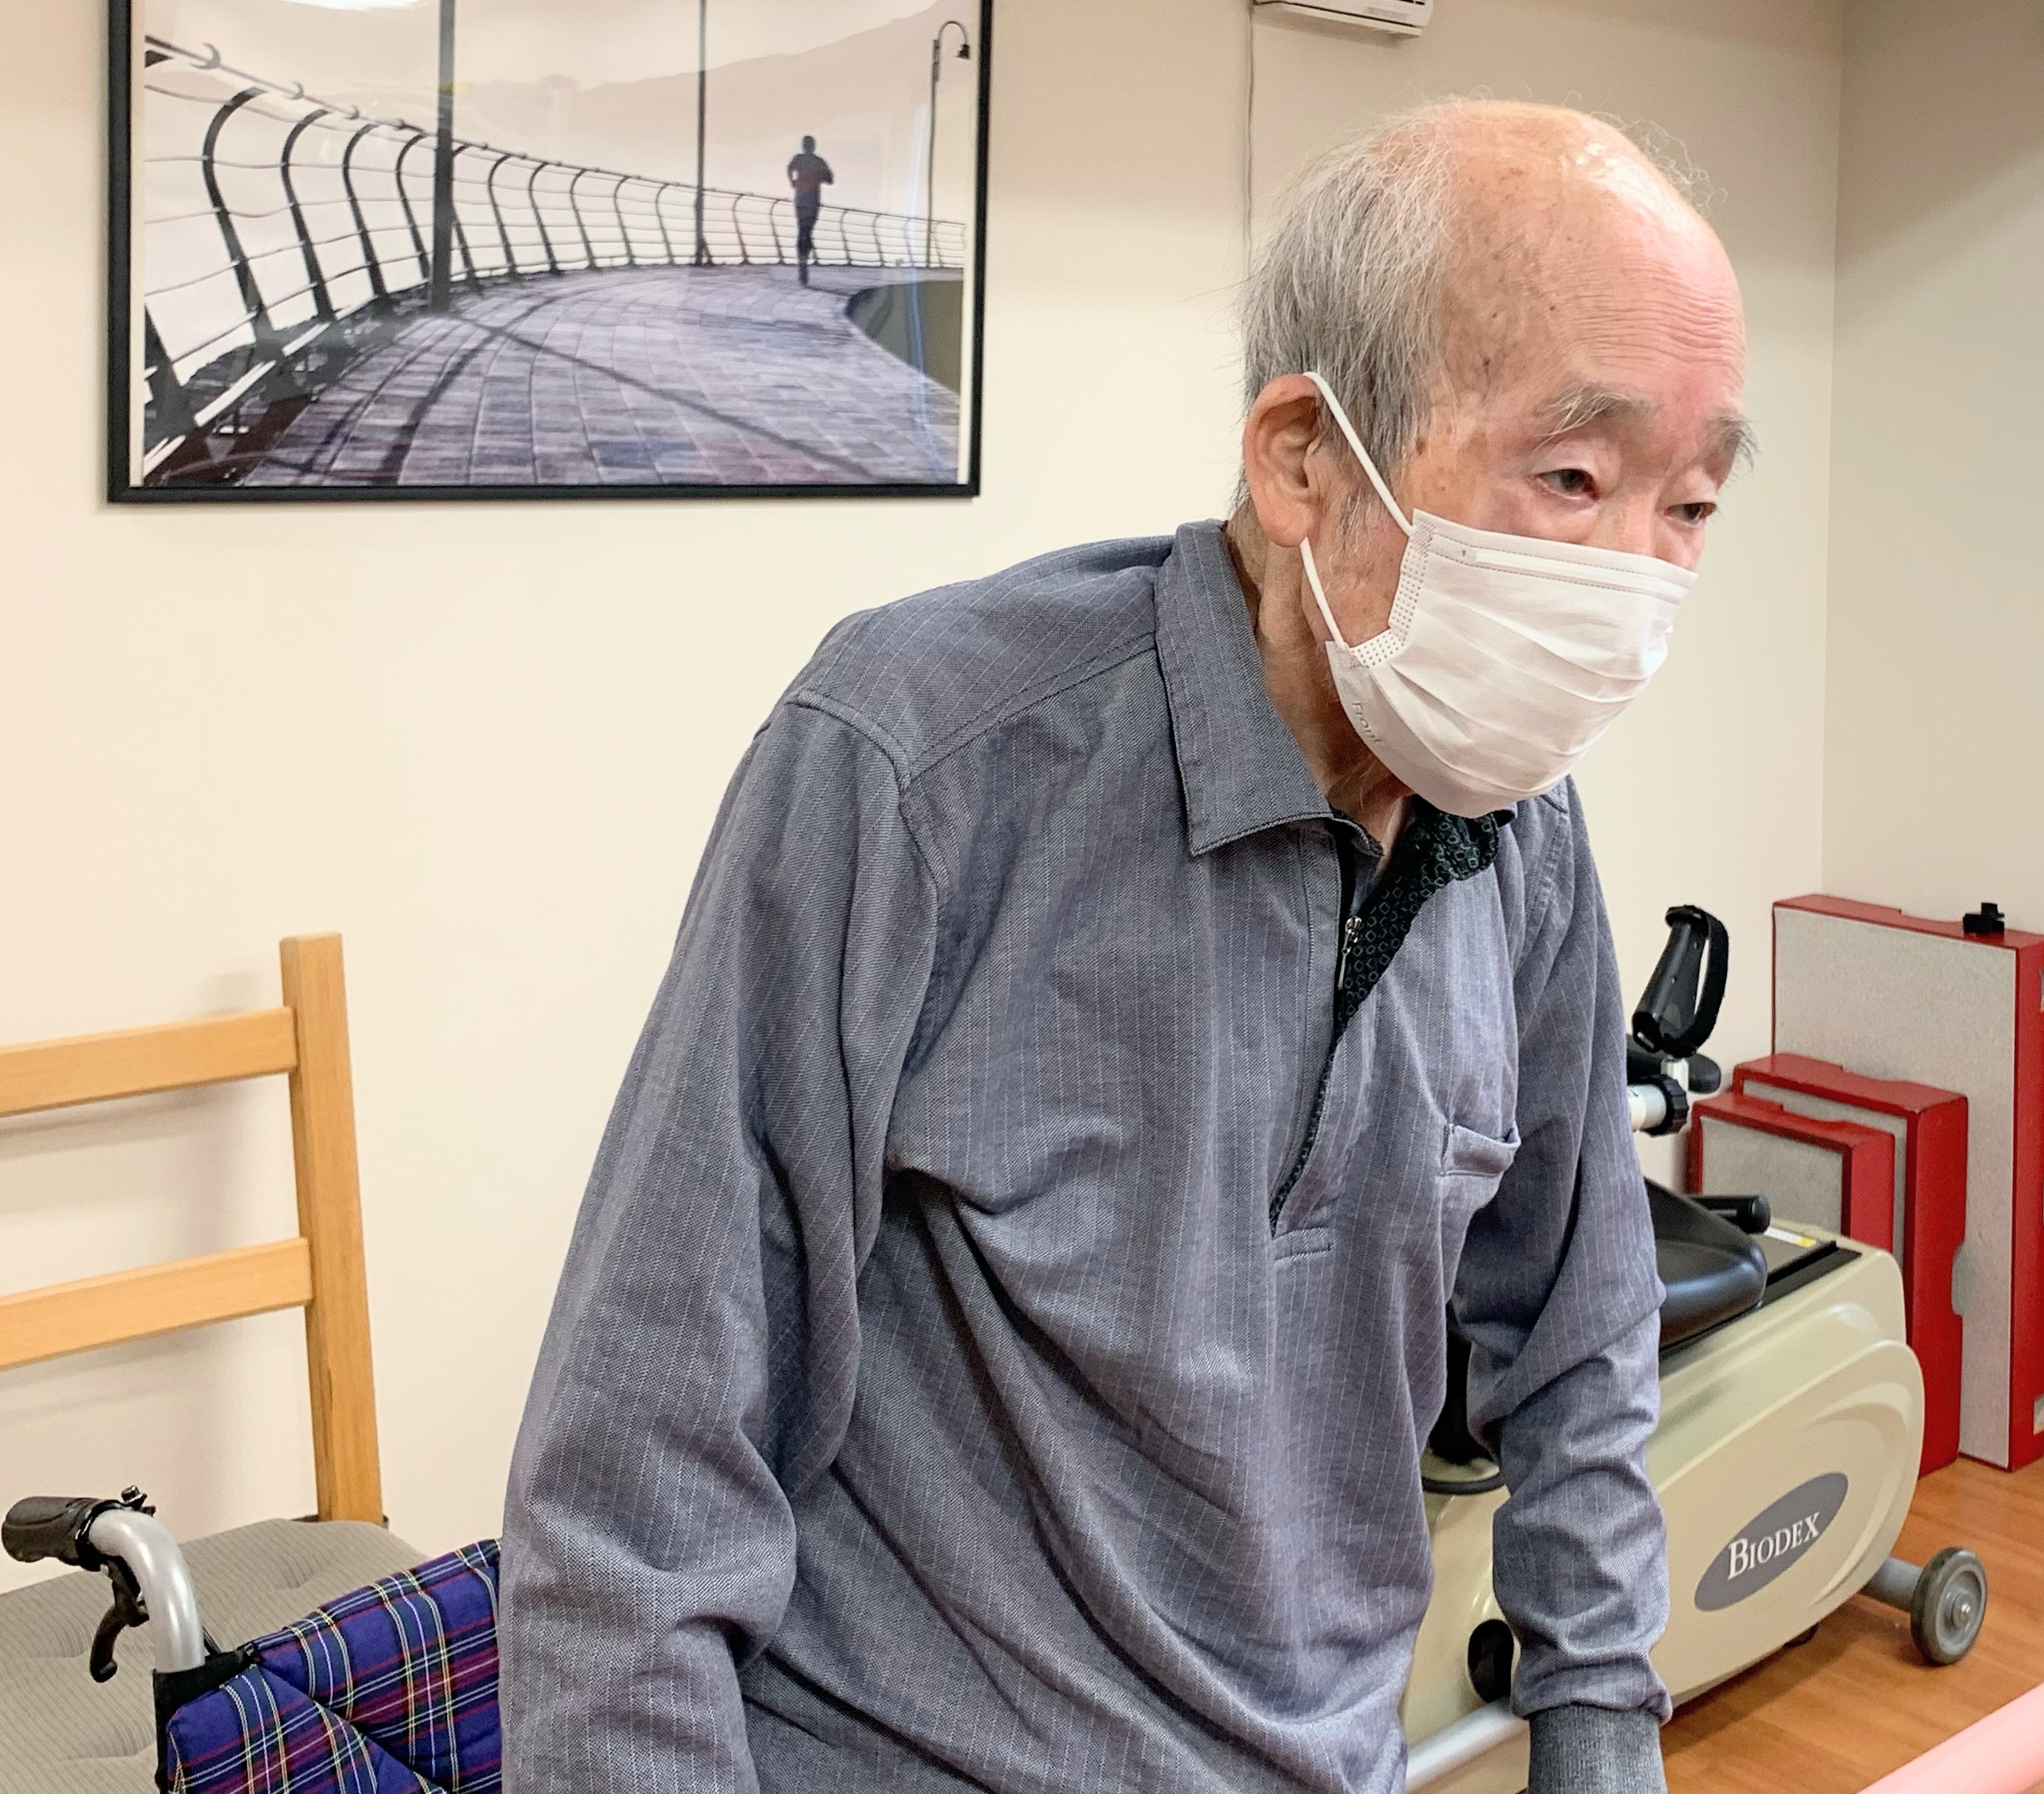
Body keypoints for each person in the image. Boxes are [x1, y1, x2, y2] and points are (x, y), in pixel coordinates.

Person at [504, 99, 1749, 1794]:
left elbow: (1580, 1334)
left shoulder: (1520, 832)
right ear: (1304, 459)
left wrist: (1600, 1730)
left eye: (1690, 505)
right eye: (1576, 479)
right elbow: (637, 1474)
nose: (1632, 583)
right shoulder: (921, 761)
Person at [786, 134, 834, 282]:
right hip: (812, 201)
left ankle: (802, 261)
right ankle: (804, 259)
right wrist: (818, 176)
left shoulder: (798, 159)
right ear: (814, 146)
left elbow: (789, 168)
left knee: (802, 231)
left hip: (801, 201)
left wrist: (793, 182)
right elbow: (830, 179)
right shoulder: (819, 161)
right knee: (807, 231)